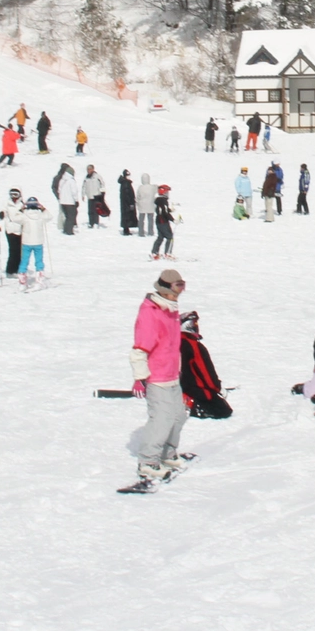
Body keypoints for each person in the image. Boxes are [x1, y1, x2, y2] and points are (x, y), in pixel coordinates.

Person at [128, 269, 192, 485]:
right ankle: (148, 462)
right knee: (162, 419)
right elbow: (140, 348)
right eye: (176, 288)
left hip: (172, 373)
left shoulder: (170, 309)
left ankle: (167, 453)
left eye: (182, 287)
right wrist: (140, 377)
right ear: (165, 290)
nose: (179, 294)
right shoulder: (151, 312)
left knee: (178, 415)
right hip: (156, 376)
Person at [179, 311, 232, 419]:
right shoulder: (194, 346)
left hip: (173, 387)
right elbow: (205, 372)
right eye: (194, 324)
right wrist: (217, 387)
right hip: (194, 390)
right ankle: (191, 403)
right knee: (224, 411)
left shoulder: (171, 344)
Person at [18, 197, 52, 283]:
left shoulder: (24, 215)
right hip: (38, 242)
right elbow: (49, 217)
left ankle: (22, 275)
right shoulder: (41, 215)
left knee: (24, 260)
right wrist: (43, 209)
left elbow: (15, 218)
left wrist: (21, 209)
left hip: (26, 242)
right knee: (39, 260)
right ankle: (40, 274)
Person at [1, 189, 25, 276]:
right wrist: (2, 214)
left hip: (19, 230)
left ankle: (17, 269)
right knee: (13, 250)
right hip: (10, 230)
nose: (13, 197)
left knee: (19, 251)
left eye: (15, 194)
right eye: (12, 194)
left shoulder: (22, 204)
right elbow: (3, 210)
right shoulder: (7, 203)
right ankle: (10, 270)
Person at [151, 184, 176, 260]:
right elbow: (165, 213)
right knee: (170, 237)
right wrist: (173, 220)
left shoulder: (158, 201)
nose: (168, 194)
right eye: (167, 192)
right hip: (163, 222)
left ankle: (154, 252)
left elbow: (161, 210)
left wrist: (169, 210)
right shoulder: (164, 201)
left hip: (158, 221)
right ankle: (168, 253)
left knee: (160, 237)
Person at [54, 163, 80, 235]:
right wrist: (76, 200)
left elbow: (59, 190)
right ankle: (69, 231)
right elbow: (74, 191)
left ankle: (65, 229)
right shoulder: (71, 181)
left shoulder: (62, 180)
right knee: (71, 216)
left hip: (63, 202)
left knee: (67, 216)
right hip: (70, 202)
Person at [82, 164, 106, 229]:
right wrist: (83, 194)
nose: (88, 171)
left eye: (89, 169)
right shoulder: (86, 178)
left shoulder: (97, 176)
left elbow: (102, 184)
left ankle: (96, 222)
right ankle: (91, 222)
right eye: (87, 169)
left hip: (96, 195)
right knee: (90, 211)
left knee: (96, 210)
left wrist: (102, 193)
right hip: (89, 196)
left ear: (93, 169)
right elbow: (84, 186)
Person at [118, 170, 139, 235]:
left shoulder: (124, 183)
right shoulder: (126, 183)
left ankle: (126, 229)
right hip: (127, 203)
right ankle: (126, 230)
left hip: (124, 203)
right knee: (127, 216)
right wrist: (131, 203)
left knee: (125, 216)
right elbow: (128, 195)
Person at [136, 173, 157, 238]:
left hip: (142, 206)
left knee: (141, 220)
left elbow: (138, 197)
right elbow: (156, 190)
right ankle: (150, 232)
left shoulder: (140, 188)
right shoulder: (152, 187)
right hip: (150, 206)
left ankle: (141, 232)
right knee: (150, 220)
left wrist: (138, 203)